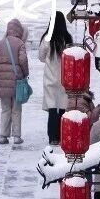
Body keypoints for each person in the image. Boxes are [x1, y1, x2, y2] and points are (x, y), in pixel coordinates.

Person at [0, 19, 29, 145]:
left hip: (3, 81)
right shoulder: (20, 43)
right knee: (16, 109)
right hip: (17, 81)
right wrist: (25, 73)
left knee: (5, 109)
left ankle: (3, 136)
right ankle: (17, 136)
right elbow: (23, 60)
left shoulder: (1, 43)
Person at [38, 12, 73, 145]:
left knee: (52, 108)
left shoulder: (47, 38)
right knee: (64, 108)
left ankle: (53, 137)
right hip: (65, 78)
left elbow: (41, 57)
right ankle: (63, 136)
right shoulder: (67, 38)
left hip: (50, 78)